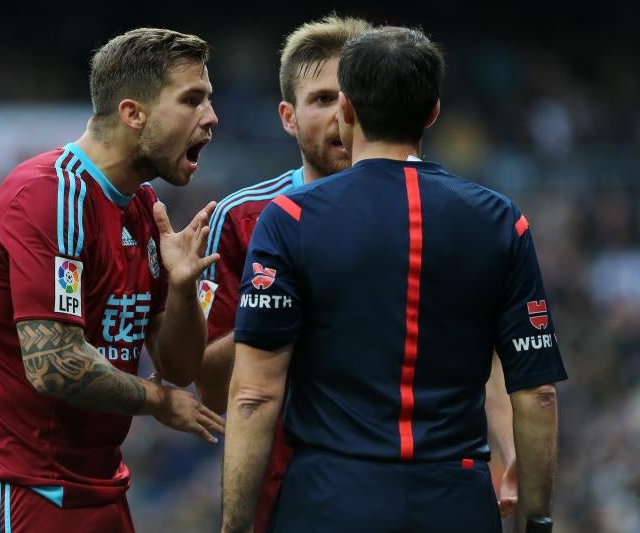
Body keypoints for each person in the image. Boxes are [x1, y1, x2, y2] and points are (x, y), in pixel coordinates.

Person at [222, 25, 567, 533]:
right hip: (456, 500)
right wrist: (536, 520)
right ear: (432, 113)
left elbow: (253, 397)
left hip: (327, 499)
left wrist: (234, 526)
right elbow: (537, 394)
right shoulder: (501, 220)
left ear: (346, 109)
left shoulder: (289, 219)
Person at [0, 28, 225, 533]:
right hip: (21, 489)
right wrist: (158, 401)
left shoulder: (144, 209)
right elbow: (53, 364)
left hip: (100, 486)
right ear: (132, 114)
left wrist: (184, 290)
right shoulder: (48, 196)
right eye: (192, 100)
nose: (211, 117)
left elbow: (179, 365)